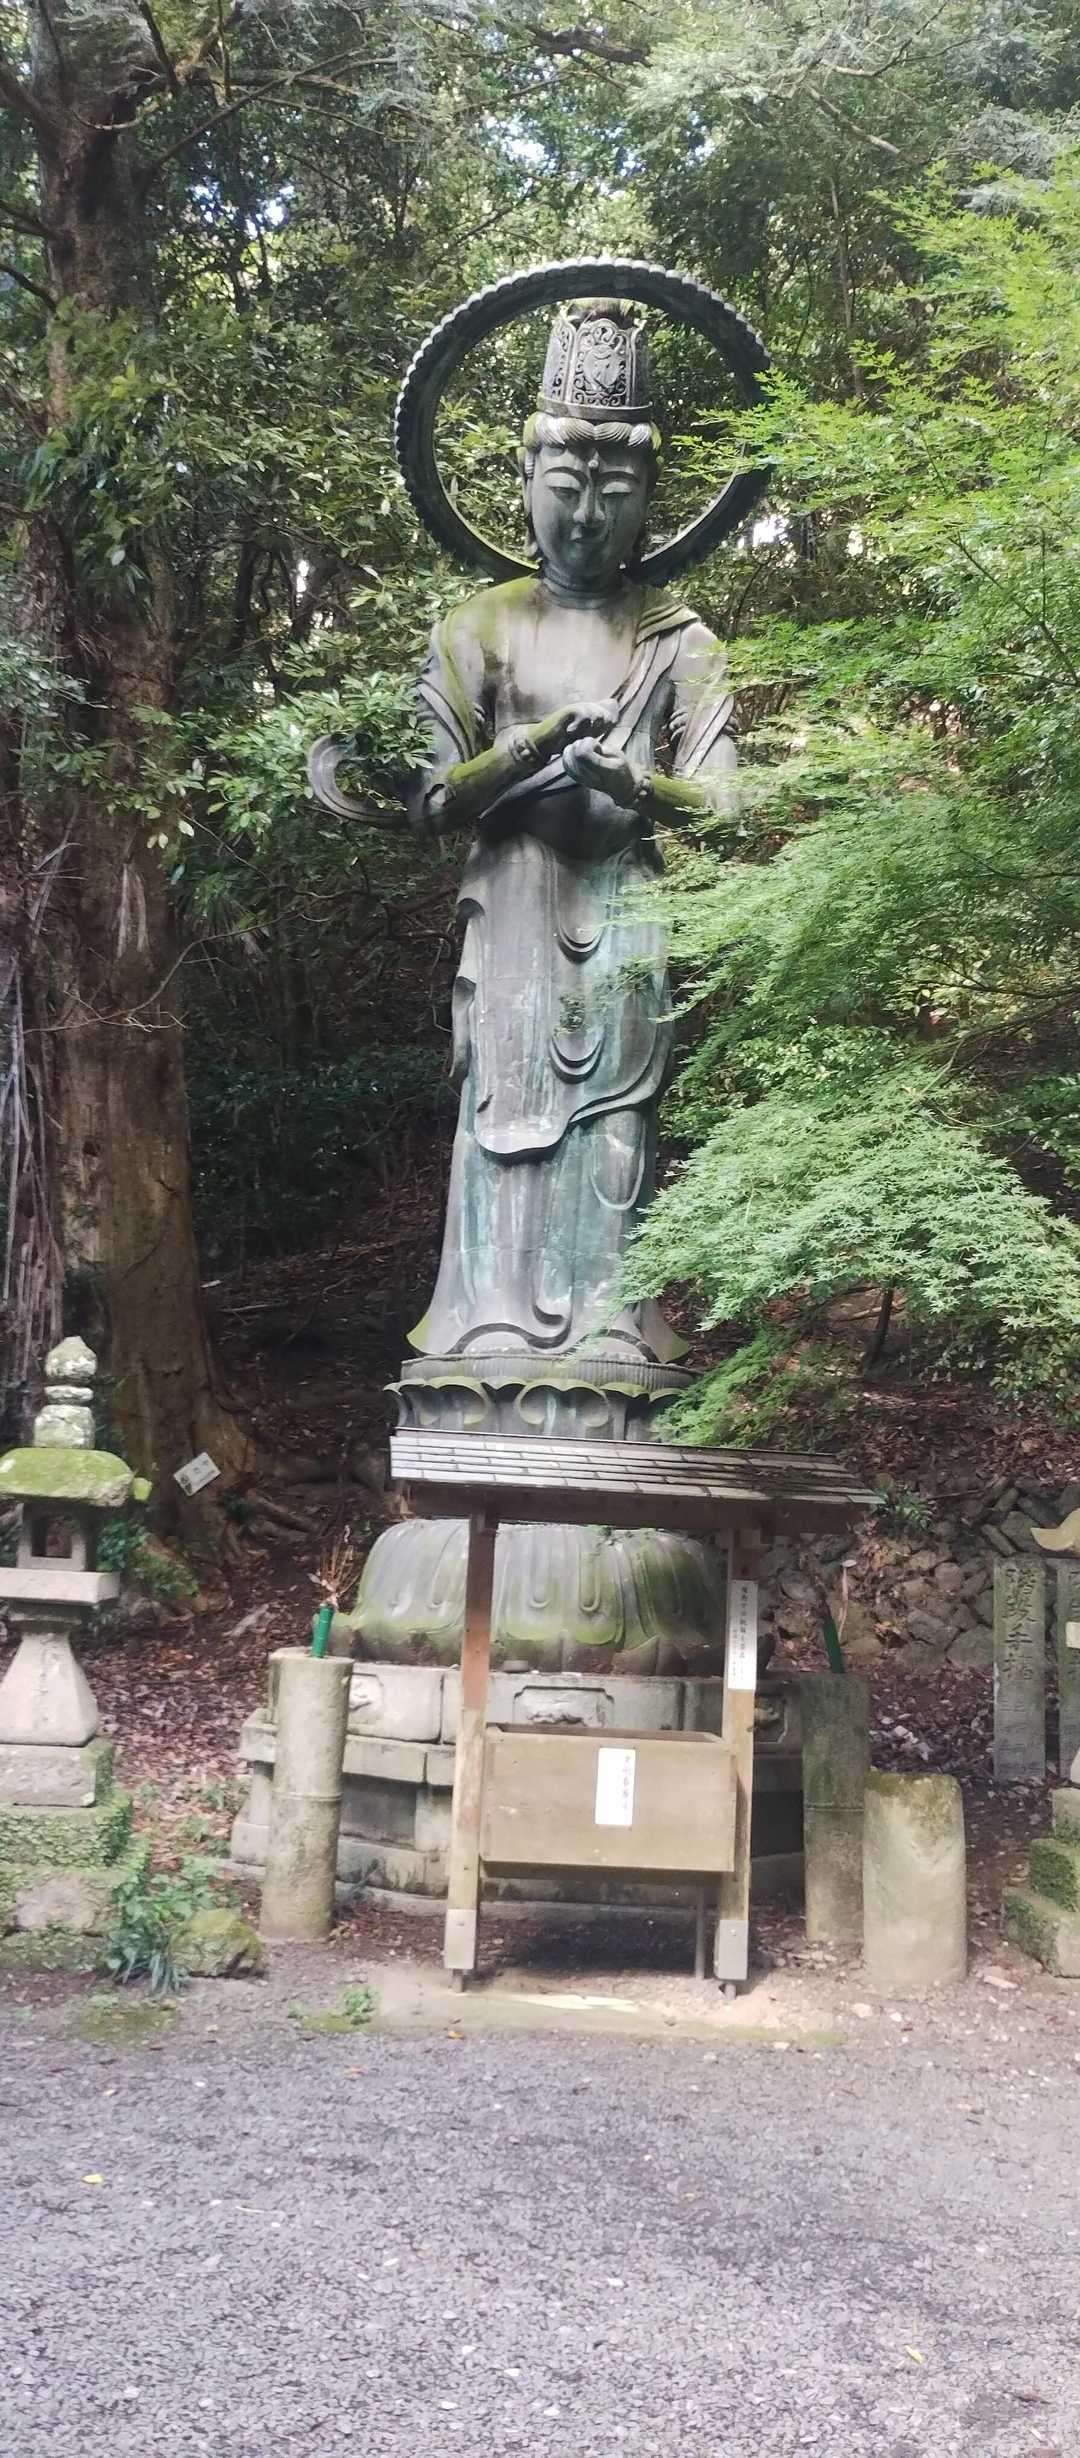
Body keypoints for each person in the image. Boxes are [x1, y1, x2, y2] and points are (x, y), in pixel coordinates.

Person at [319, 298, 740, 1362]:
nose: (588, 516)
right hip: (510, 903)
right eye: (566, 488)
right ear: (525, 483)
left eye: (615, 492)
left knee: (617, 1123)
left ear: (649, 499)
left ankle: (611, 1326)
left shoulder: (680, 638)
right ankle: (484, 1330)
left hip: (624, 900)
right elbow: (428, 800)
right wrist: (531, 745)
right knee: (503, 1117)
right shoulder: (481, 624)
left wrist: (636, 784)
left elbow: (729, 807)